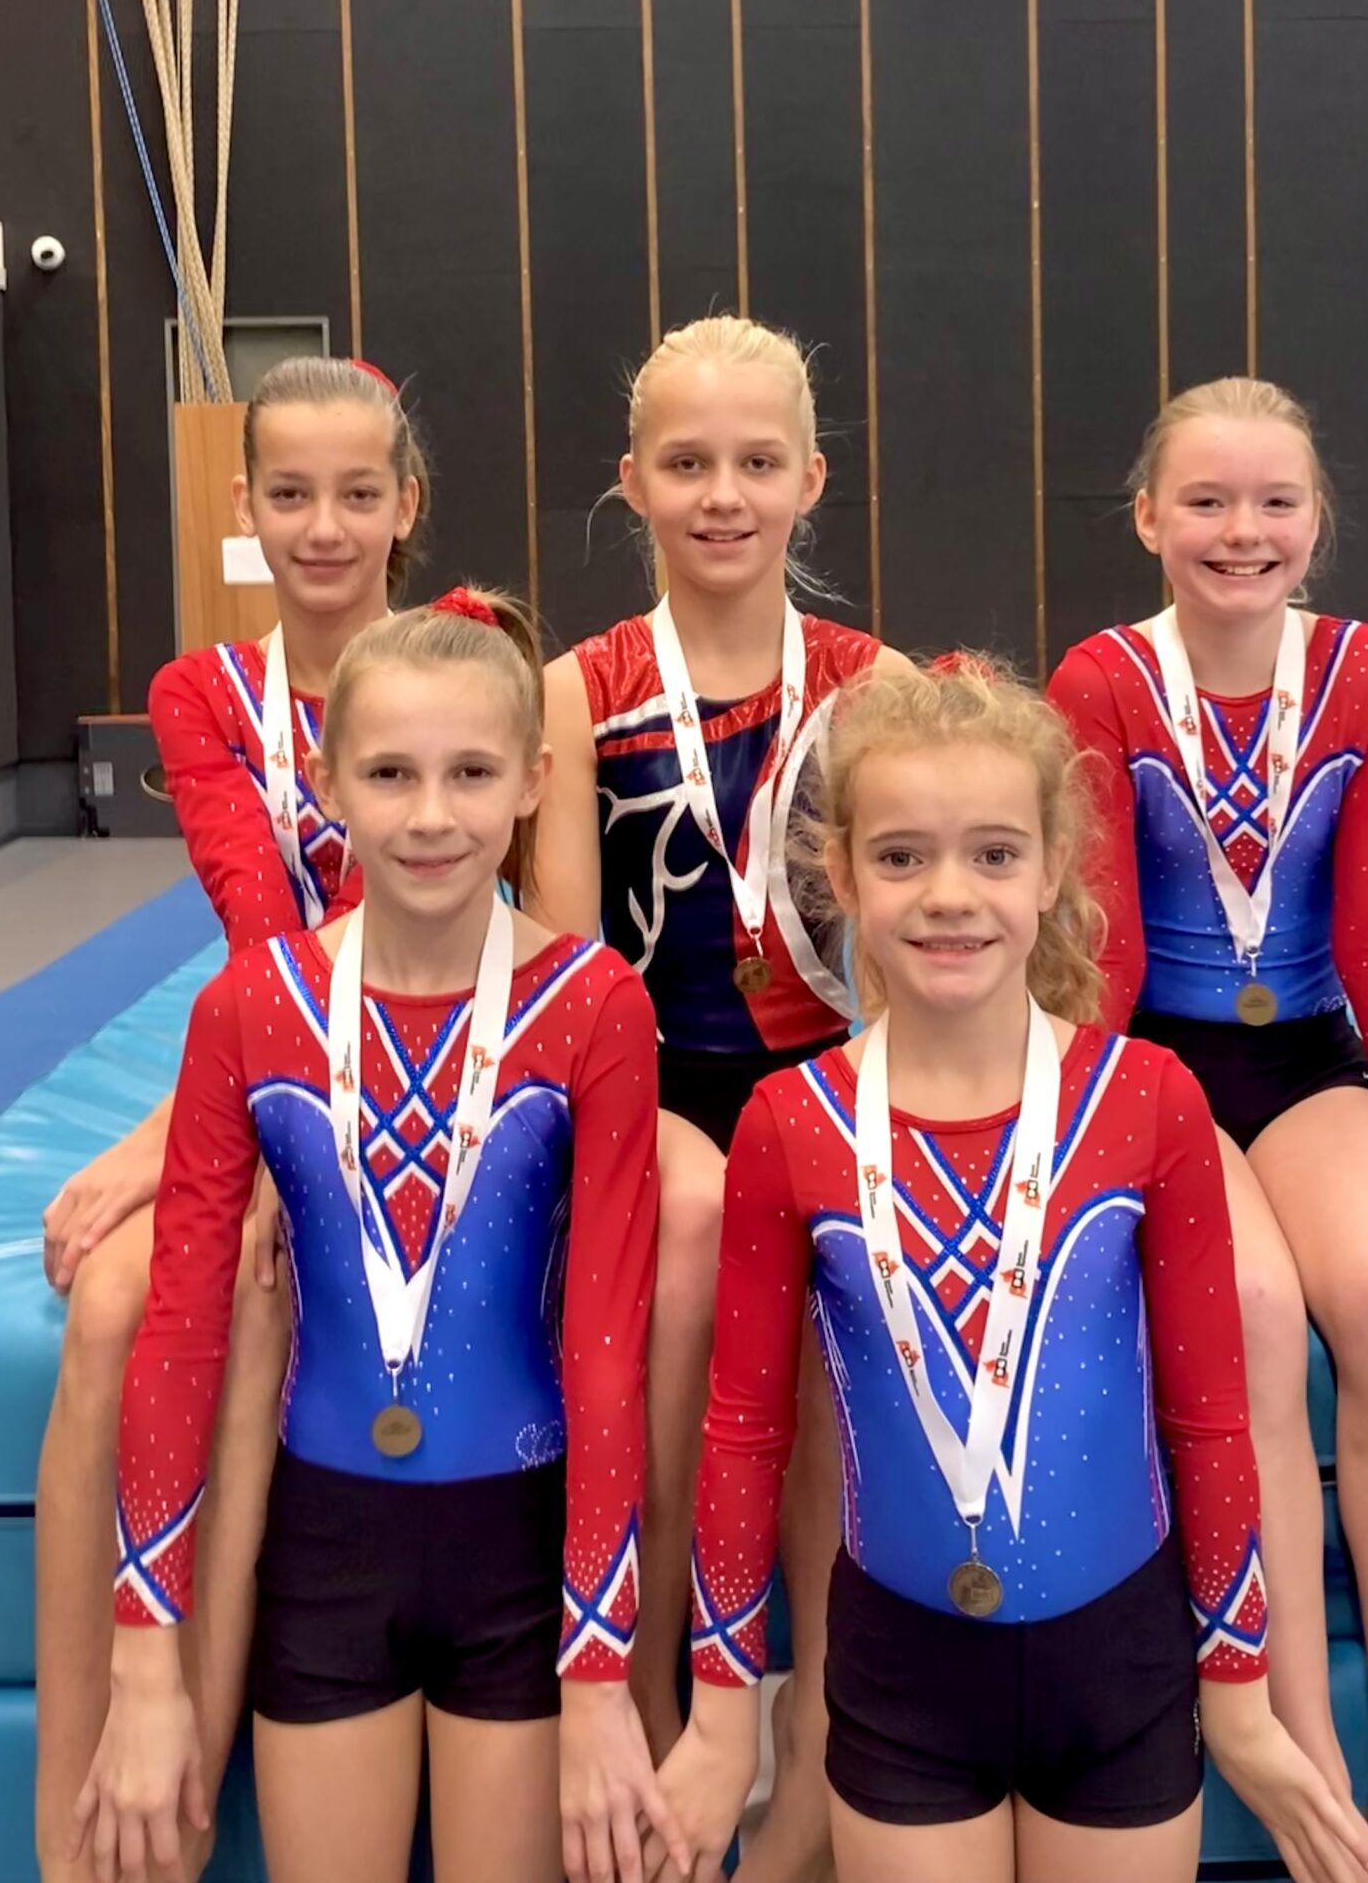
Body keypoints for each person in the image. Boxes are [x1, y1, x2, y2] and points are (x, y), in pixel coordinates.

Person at [655, 655, 1368, 1883]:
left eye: (994, 854)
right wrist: (724, 1714)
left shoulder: (1147, 1100)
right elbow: (743, 1433)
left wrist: (1241, 1690)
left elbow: (1210, 1423)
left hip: (1120, 1671)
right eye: (902, 857)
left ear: (1053, 871)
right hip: (902, 1679)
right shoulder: (792, 1123)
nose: (950, 895)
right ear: (842, 877)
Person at [78, 593, 682, 1883]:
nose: (430, 815)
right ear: (327, 780)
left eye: (472, 774)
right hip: (328, 1551)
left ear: (534, 781)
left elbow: (604, 1350)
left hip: (520, 1558)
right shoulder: (254, 1006)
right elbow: (181, 1328)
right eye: (392, 773)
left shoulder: (593, 1007)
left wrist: (596, 1675)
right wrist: (144, 1662)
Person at [1048, 377, 1368, 1883]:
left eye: (1275, 502)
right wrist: (1079, 1124)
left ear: (1316, 520)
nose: (1242, 531)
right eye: (1206, 501)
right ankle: (1313, 1770)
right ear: (1148, 517)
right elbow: (1105, 942)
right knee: (1255, 1311)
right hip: (1160, 1062)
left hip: (1314, 1057)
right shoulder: (1104, 680)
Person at [35, 354, 425, 1883]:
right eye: (291, 494)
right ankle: (82, 1819)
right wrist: (210, 1130)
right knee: (109, 1307)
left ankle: (178, 1796)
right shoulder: (202, 694)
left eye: (356, 493)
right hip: (276, 1063)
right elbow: (262, 925)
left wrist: (195, 1140)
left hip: (428, 1076)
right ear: (247, 507)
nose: (324, 527)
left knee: (248, 1307)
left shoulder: (462, 652)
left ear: (406, 503)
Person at [537, 315, 909, 1880]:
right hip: (656, 1081)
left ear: (811, 480)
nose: (722, 495)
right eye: (685, 464)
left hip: (827, 1079)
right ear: (631, 483)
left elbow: (910, 938)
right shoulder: (581, 690)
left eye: (758, 463)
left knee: (840, 1271)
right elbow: (573, 972)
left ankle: (820, 1734)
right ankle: (660, 1682)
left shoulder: (872, 684)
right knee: (692, 1232)